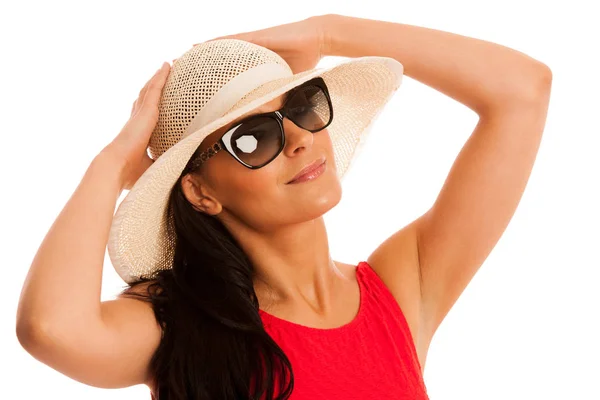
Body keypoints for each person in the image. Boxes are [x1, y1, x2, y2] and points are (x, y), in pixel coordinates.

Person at [16, 13, 552, 400]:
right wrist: (114, 163)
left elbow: (523, 90)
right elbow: (51, 329)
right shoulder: (181, 327)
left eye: (301, 106)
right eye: (253, 138)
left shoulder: (398, 293)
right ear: (202, 192)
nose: (298, 138)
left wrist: (328, 32)